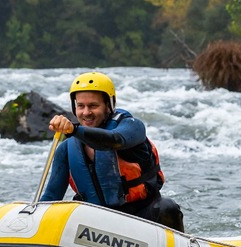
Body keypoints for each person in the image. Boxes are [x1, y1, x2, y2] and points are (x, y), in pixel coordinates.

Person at [40, 71, 185, 232]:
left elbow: (113, 141)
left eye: (93, 106)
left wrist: (73, 129)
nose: (86, 112)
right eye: (81, 106)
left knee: (167, 207)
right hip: (98, 224)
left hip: (142, 217)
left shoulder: (132, 127)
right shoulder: (66, 149)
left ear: (109, 106)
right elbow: (51, 198)